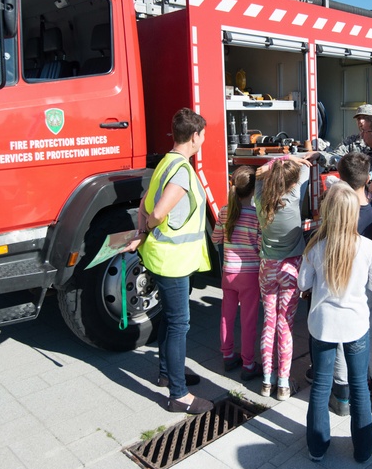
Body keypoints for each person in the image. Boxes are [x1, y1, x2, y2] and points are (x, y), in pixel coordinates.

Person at [130, 107, 212, 415]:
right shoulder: (181, 171)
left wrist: (142, 230)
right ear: (194, 136)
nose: (203, 140)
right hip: (173, 261)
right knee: (180, 323)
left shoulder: (166, 162)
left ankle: (167, 373)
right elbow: (160, 211)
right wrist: (148, 227)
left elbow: (143, 203)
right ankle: (179, 394)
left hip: (160, 256)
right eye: (203, 136)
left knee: (169, 318)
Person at [299, 183, 372, 463]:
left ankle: (317, 446)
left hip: (322, 325)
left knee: (321, 385)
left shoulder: (315, 245)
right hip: (356, 324)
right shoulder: (367, 247)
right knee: (359, 385)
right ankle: (362, 447)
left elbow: (303, 283)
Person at [327, 152, 372, 417]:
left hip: (342, 278)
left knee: (340, 337)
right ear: (367, 179)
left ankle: (342, 397)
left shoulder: (336, 208)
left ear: (341, 177)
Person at [255, 153, 318, 399]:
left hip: (267, 267)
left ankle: (266, 381)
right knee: (285, 325)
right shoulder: (293, 198)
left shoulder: (260, 198)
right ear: (292, 182)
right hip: (291, 269)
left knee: (269, 323)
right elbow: (306, 170)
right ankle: (283, 383)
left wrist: (280, 159)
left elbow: (261, 172)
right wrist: (296, 157)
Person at [210, 166, 262, 381]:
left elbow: (215, 239)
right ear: (253, 190)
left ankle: (228, 355)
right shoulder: (256, 215)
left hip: (228, 273)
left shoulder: (224, 211)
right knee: (248, 320)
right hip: (249, 275)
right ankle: (249, 364)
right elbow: (260, 247)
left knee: (226, 315)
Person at [318, 104, 372, 169]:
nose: (361, 121)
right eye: (359, 118)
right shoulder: (351, 142)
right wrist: (319, 156)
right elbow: (336, 156)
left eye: (365, 118)